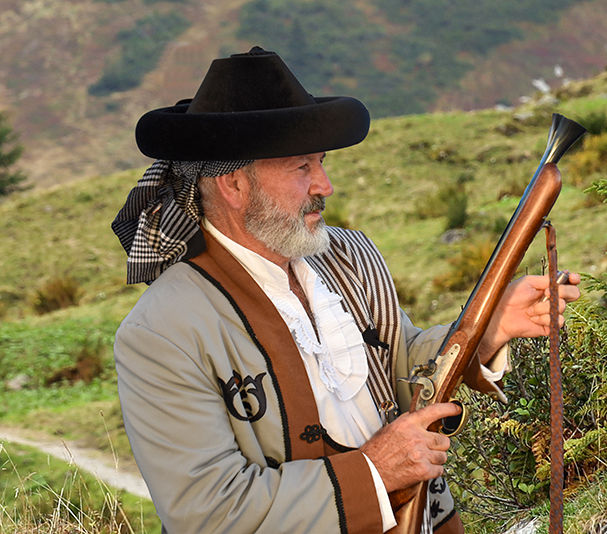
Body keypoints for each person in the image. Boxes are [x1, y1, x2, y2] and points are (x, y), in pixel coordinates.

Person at [112, 47, 580, 534]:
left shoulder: (350, 256)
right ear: (233, 185)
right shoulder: (161, 332)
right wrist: (374, 472)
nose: (325, 185)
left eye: (321, 162)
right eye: (302, 168)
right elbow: (207, 512)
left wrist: (488, 329)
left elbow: (398, 367)